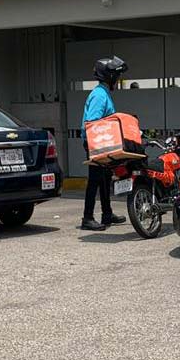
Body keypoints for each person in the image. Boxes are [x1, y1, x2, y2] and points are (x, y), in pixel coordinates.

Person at [80, 56, 128, 231]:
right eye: (116, 76)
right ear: (109, 76)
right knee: (95, 179)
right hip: (95, 143)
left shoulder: (103, 93)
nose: (117, 79)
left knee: (105, 178)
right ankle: (87, 217)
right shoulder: (99, 95)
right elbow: (93, 121)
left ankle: (107, 214)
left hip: (101, 142)